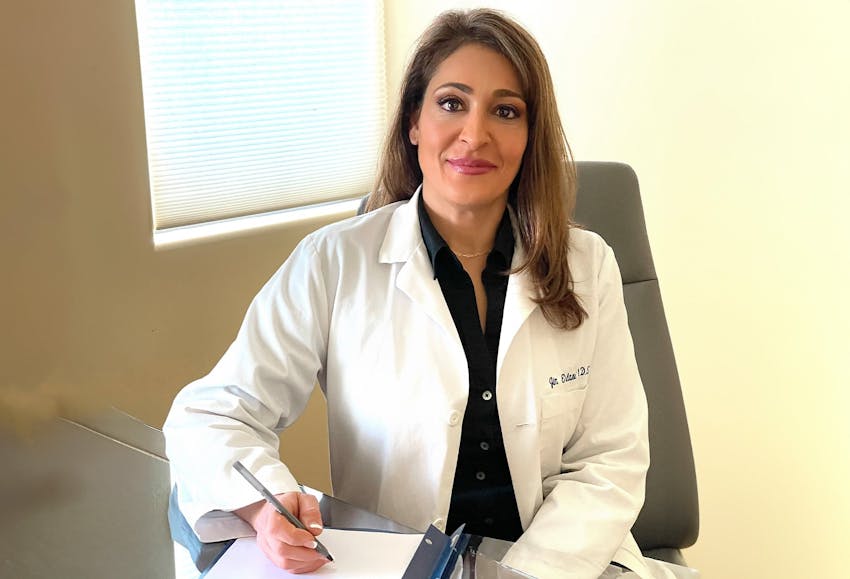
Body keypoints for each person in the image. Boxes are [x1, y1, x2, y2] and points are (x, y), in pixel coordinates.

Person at [165, 8, 662, 579]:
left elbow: (610, 459)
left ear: (530, 136)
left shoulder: (587, 264)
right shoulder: (334, 262)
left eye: (505, 111)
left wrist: (524, 574)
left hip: (562, 566)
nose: (474, 135)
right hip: (399, 563)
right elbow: (212, 412)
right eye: (451, 103)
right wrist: (265, 503)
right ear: (413, 123)